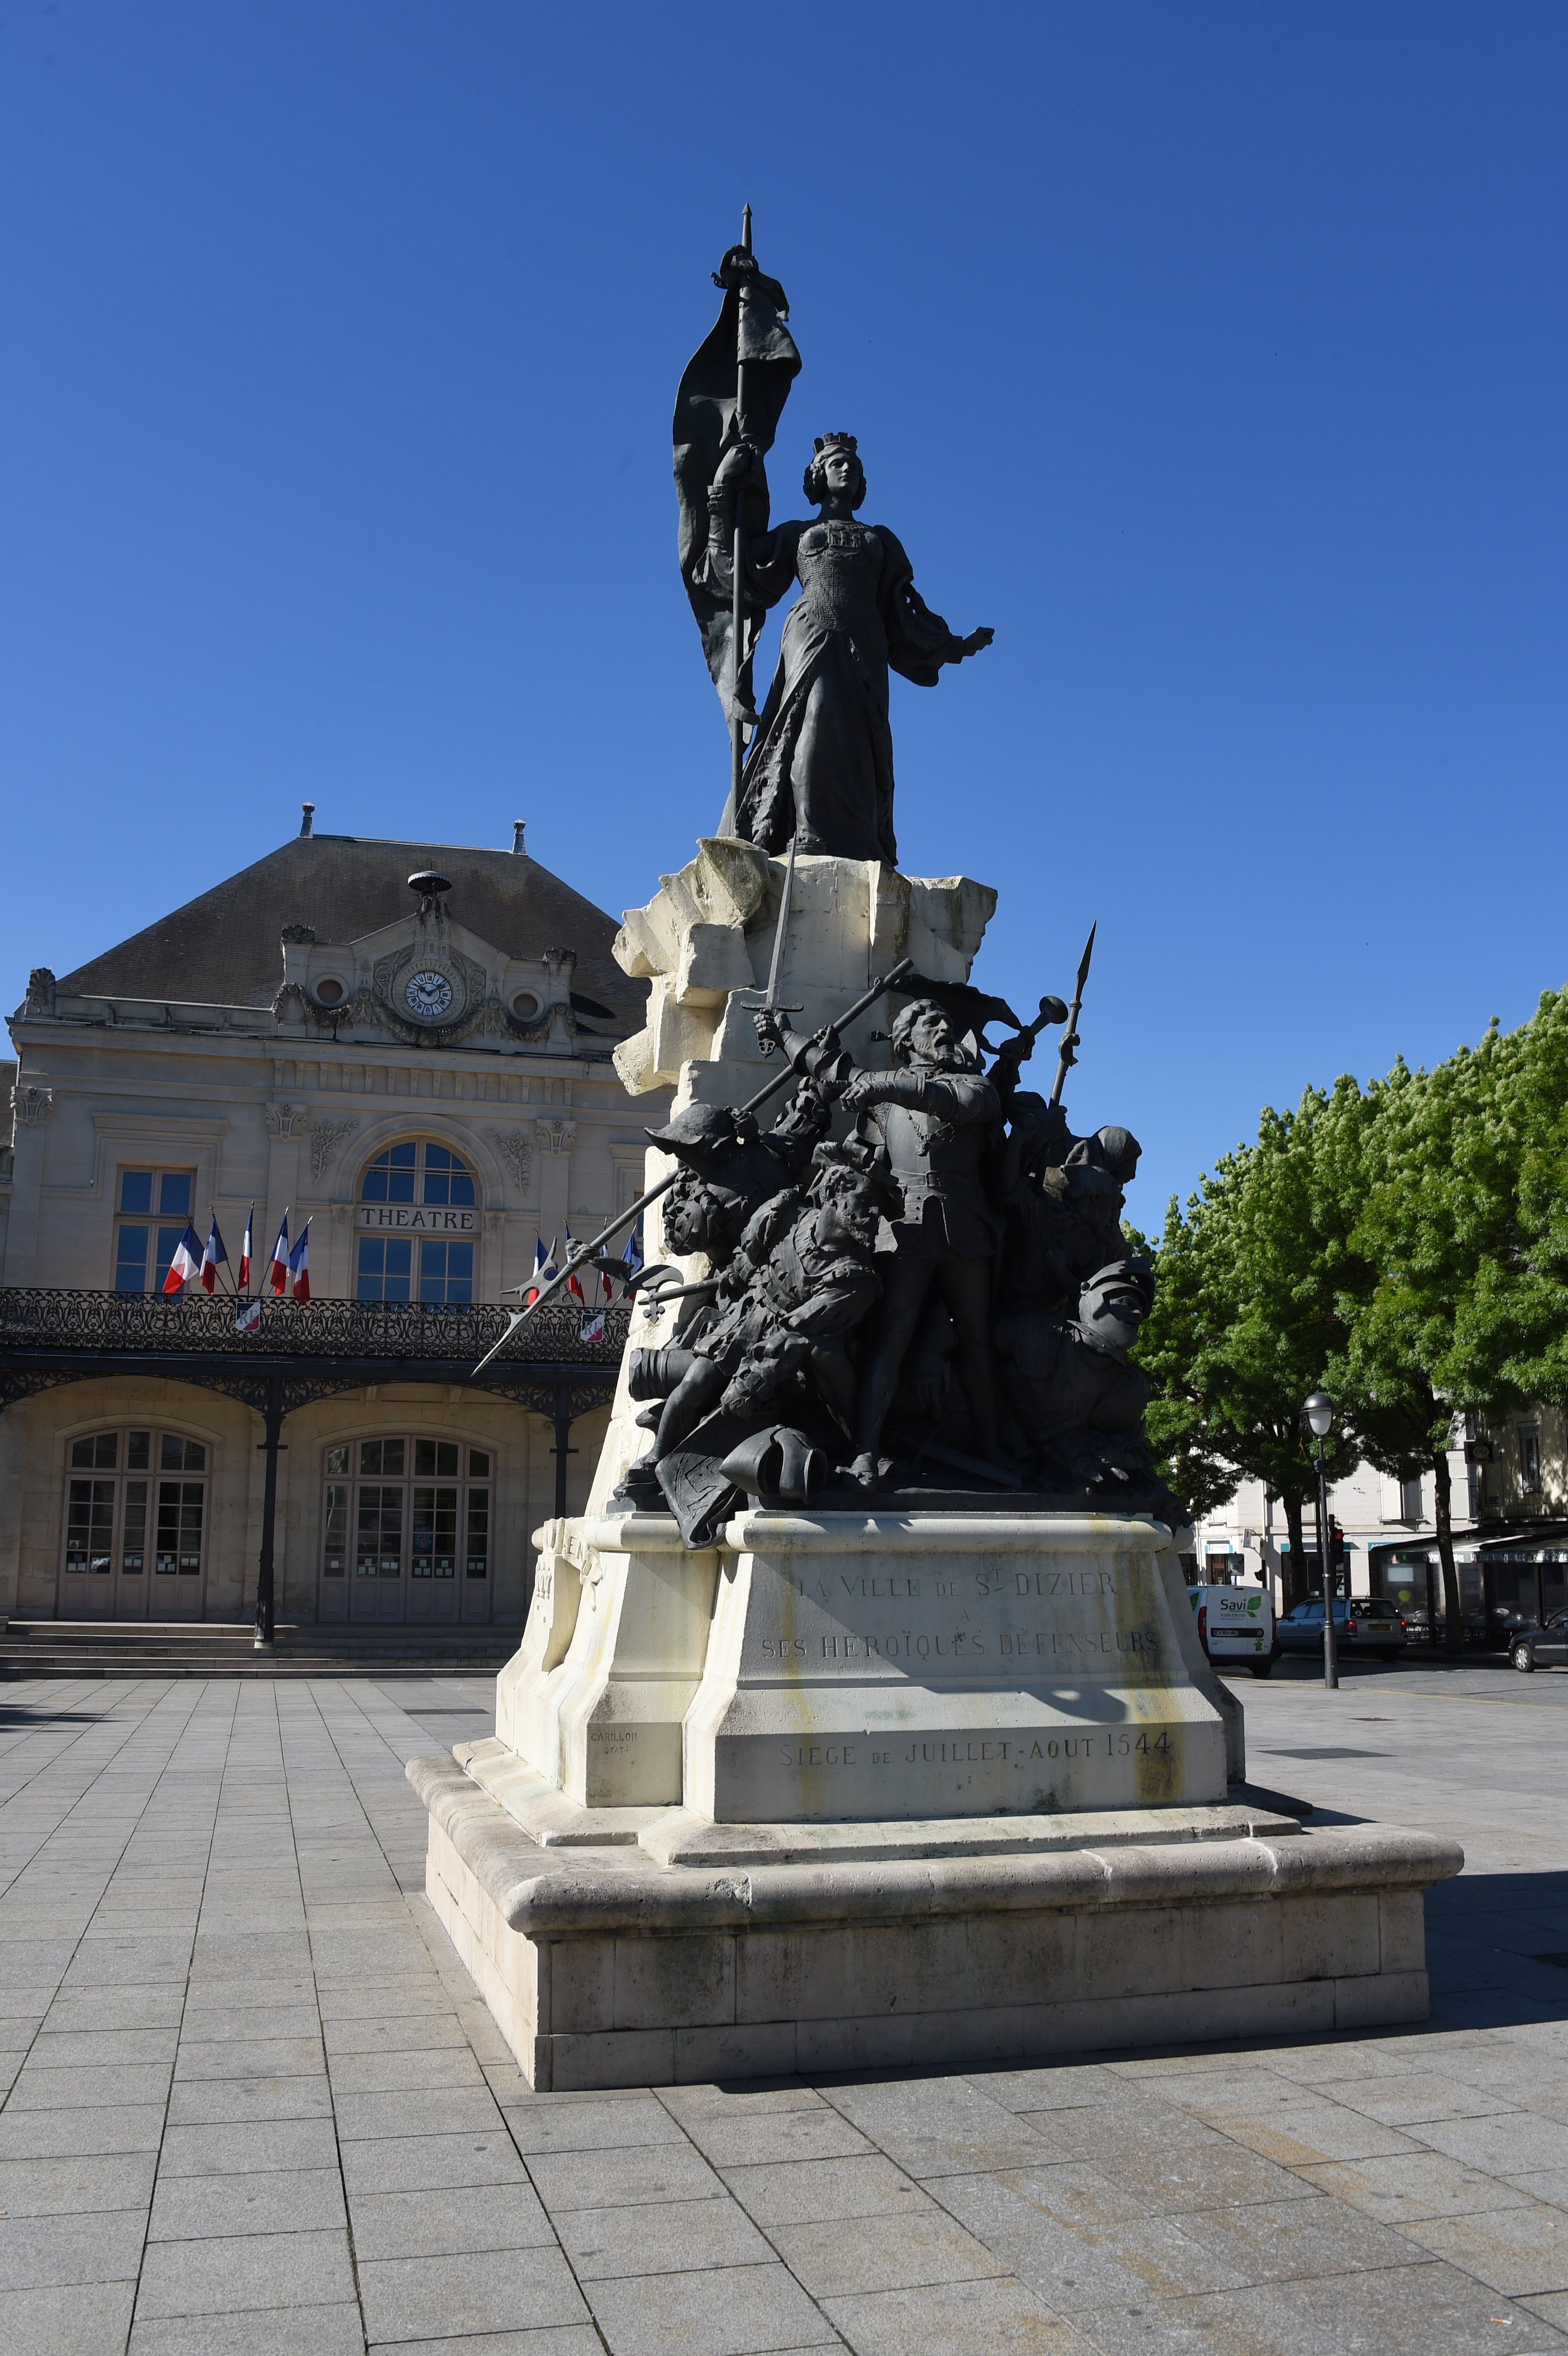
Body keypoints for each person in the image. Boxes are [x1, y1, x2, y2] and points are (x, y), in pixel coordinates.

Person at [700, 433, 992, 863]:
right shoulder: (799, 533)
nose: (847, 469)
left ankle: (861, 845)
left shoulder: (882, 539)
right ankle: (808, 834)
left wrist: (952, 645)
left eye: (854, 466)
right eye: (837, 463)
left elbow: (904, 611)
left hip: (865, 643)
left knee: (861, 742)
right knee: (813, 722)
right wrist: (723, 487)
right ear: (819, 475)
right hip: (811, 632)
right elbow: (735, 567)